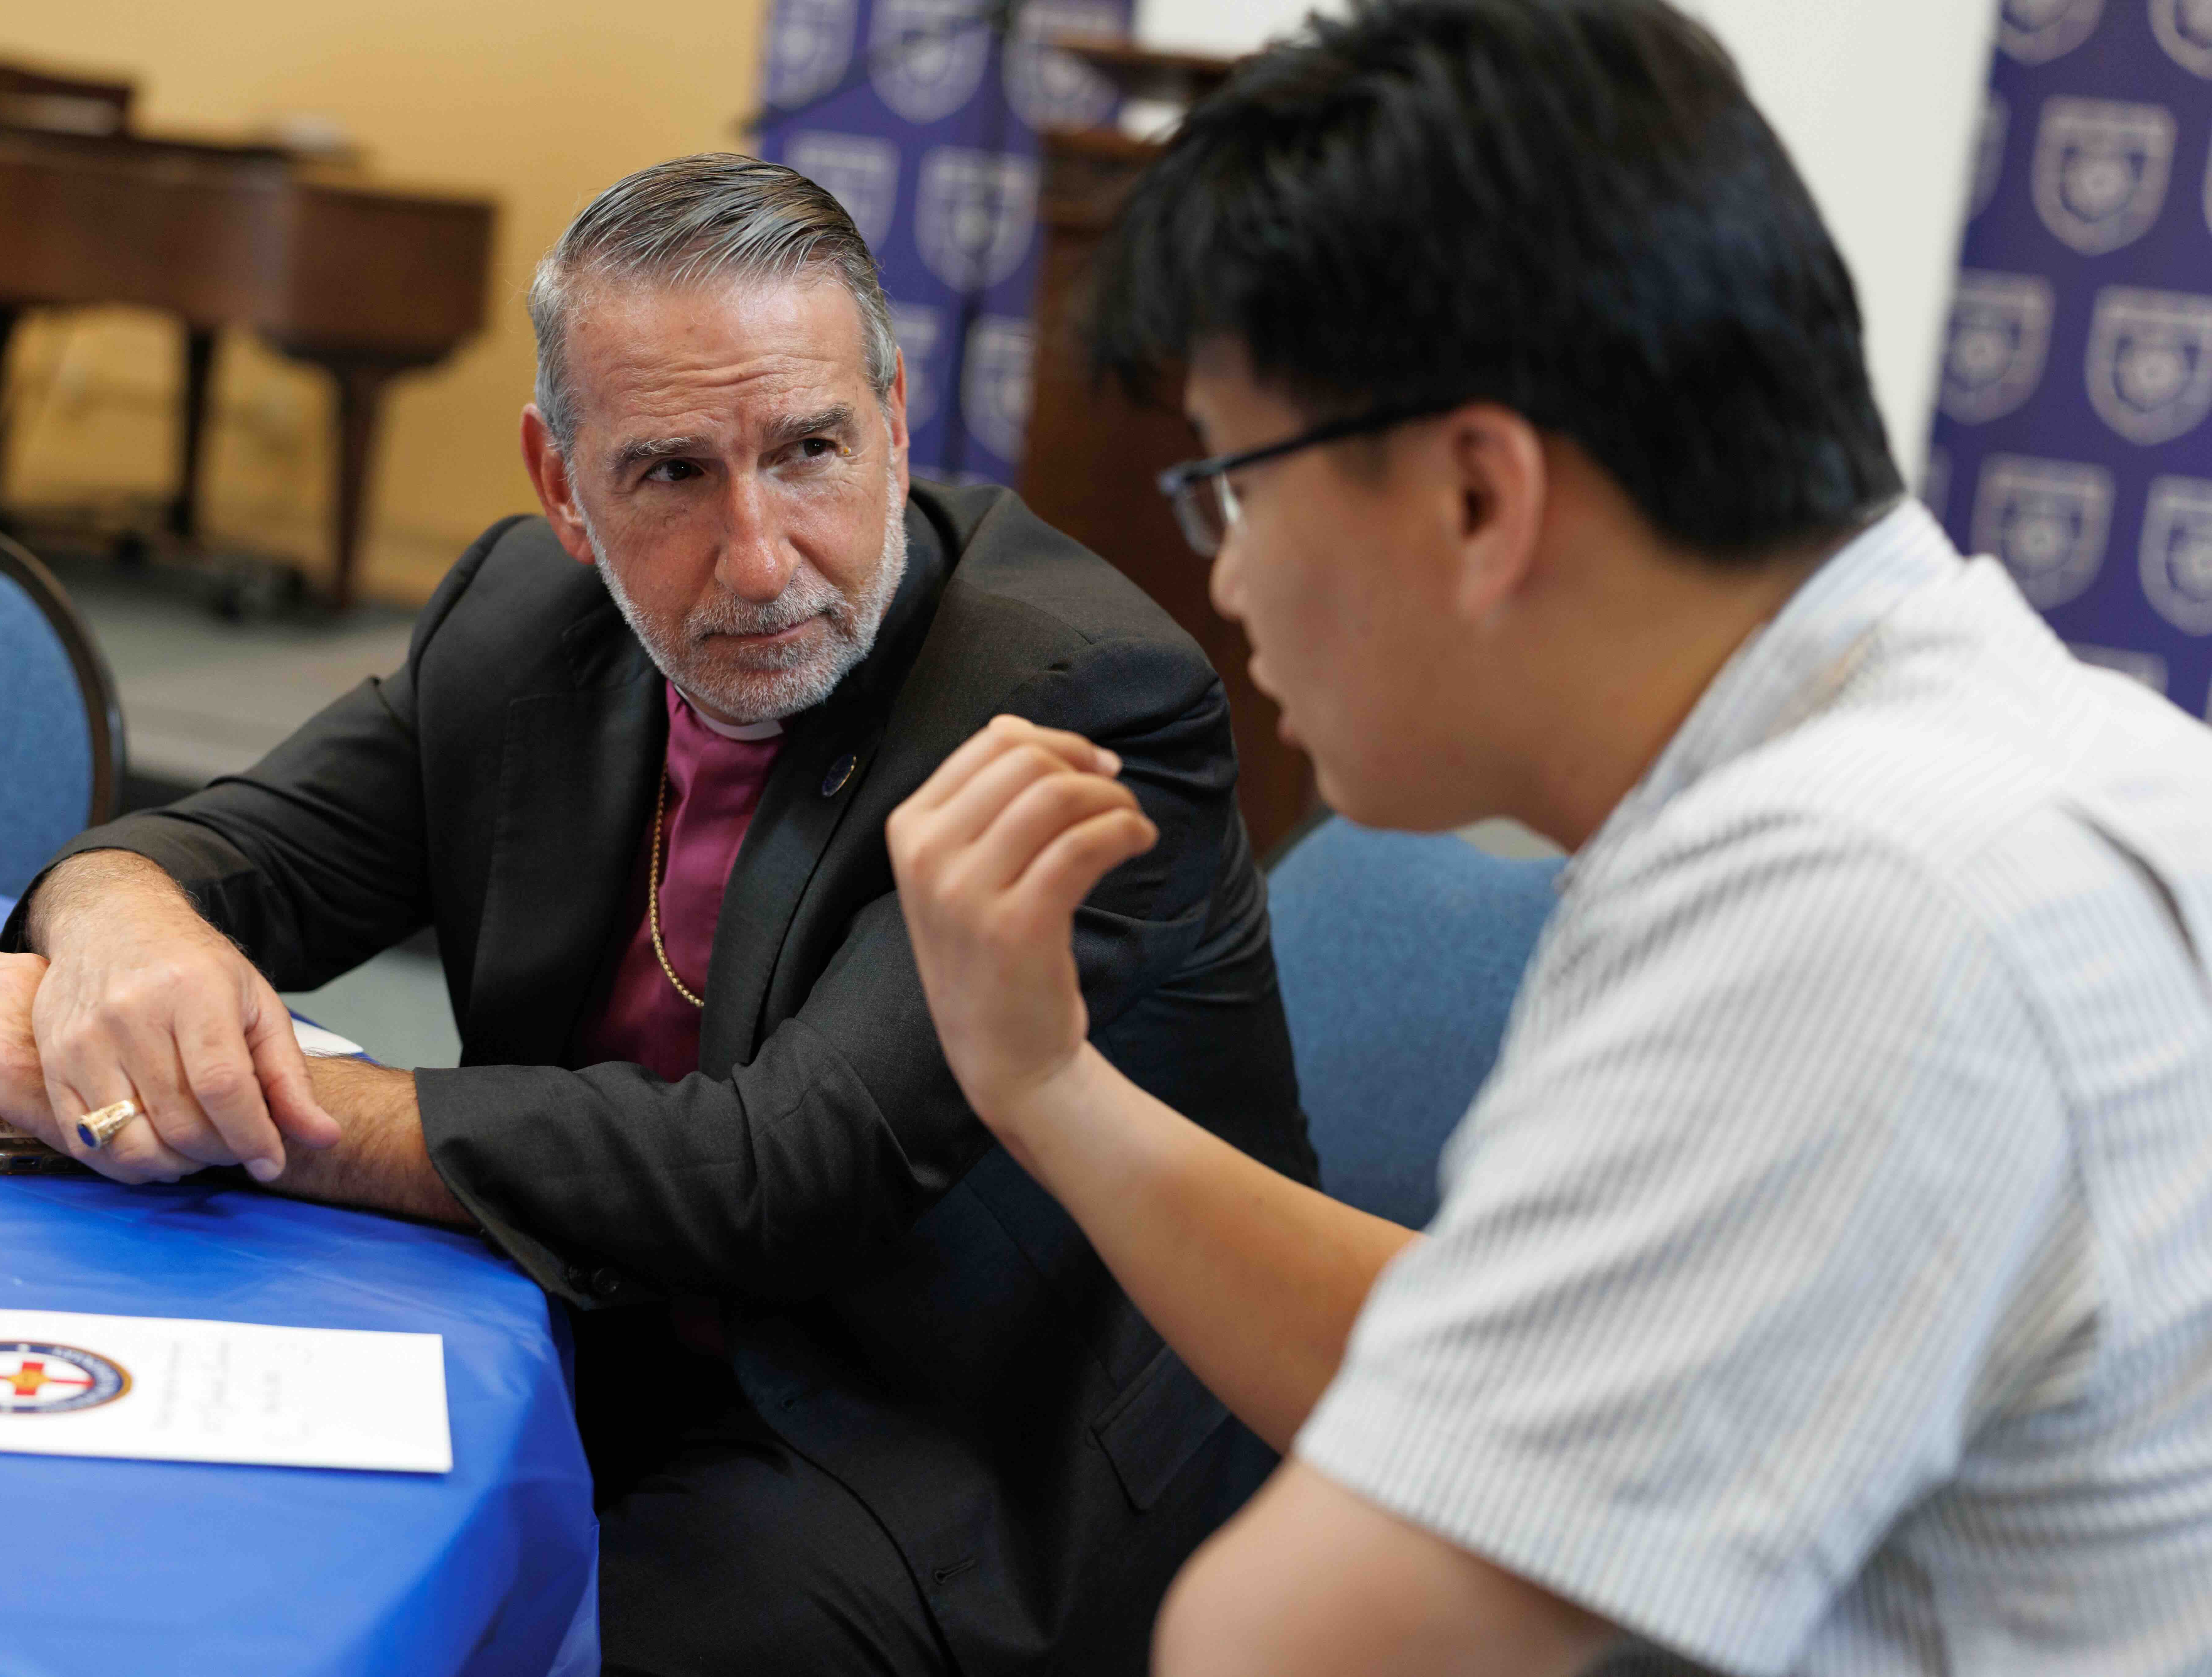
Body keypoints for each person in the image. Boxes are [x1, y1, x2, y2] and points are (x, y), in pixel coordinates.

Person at [885, 3, 2212, 1673]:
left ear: (1477, 496)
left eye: (1234, 485)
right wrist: (1045, 1081)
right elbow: (1465, 1367)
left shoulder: (1861, 899)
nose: (1222, 574)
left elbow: (1272, 1648)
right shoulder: (1956, 741)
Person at [0, 155, 1313, 1676]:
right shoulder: (524, 617)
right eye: (672, 474)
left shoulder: (1068, 696)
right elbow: (238, 855)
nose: (759, 559)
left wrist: (242, 1103)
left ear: (891, 419)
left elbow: (785, 1172)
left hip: (953, 1441)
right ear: (562, 485)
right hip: (590, 1333)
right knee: (143, 1536)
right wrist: (119, 933)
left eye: (810, 448)